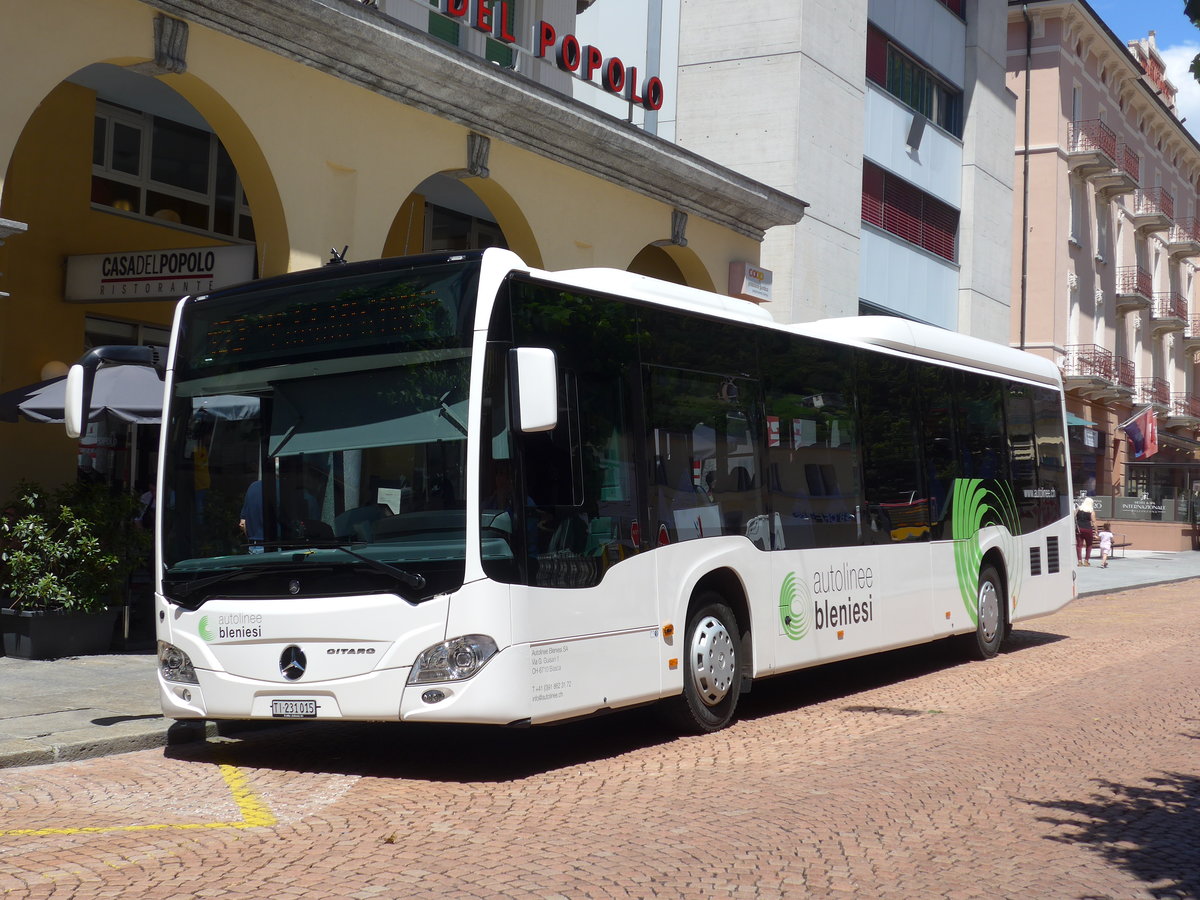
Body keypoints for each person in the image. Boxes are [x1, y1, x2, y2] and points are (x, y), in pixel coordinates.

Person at [1075, 495, 1096, 566]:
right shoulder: (1091, 511)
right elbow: (1094, 521)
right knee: (1089, 545)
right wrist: (1096, 531)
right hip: (1088, 529)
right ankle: (1086, 561)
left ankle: (1079, 561)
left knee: (1079, 545)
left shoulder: (1078, 509)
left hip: (1079, 529)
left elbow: (1074, 517)